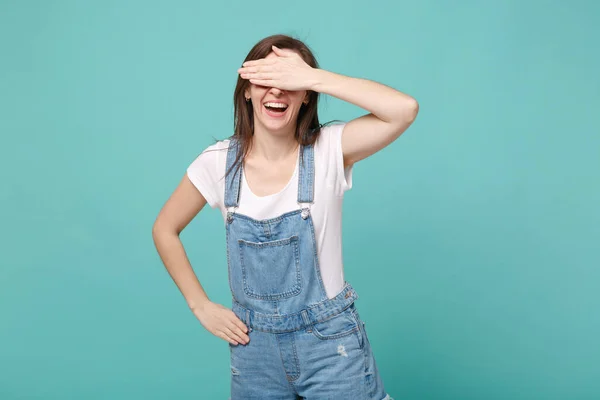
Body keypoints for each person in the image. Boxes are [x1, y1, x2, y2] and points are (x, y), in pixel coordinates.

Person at [152, 34, 418, 399]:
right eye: (265, 80)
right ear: (246, 89)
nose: (277, 92)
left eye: (289, 81)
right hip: (254, 353)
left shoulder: (329, 150)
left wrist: (312, 76)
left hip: (330, 347)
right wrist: (200, 305)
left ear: (305, 93)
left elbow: (404, 109)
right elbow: (165, 229)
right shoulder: (217, 163)